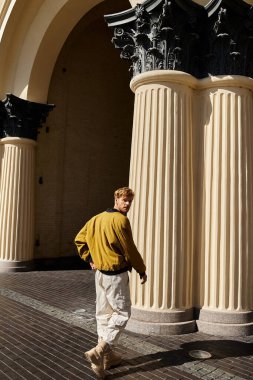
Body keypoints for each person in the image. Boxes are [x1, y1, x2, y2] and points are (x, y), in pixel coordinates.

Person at [75, 187, 147, 379]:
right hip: (116, 275)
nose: (128, 204)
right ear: (116, 199)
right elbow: (129, 249)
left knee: (103, 313)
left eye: (130, 201)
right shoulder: (121, 220)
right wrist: (141, 269)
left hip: (100, 275)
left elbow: (79, 239)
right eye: (125, 200)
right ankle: (99, 350)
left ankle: (106, 359)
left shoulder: (95, 219)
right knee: (122, 313)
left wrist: (89, 258)